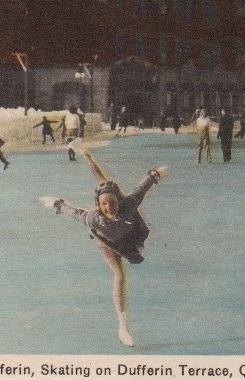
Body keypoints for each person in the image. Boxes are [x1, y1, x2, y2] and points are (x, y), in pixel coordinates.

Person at [50, 143, 167, 347]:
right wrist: (59, 205)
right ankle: (123, 328)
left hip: (129, 237)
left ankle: (131, 245)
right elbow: (76, 213)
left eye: (112, 203)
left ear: (118, 201)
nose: (108, 207)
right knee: (120, 276)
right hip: (108, 243)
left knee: (136, 253)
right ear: (98, 205)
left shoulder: (128, 203)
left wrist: (155, 174)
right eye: (104, 204)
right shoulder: (94, 217)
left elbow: (142, 188)